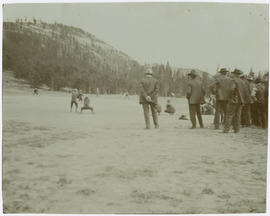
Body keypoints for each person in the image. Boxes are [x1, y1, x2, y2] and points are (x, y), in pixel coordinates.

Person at [223, 69, 246, 133]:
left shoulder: (233, 81)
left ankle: (226, 130)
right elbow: (244, 92)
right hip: (241, 100)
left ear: (235, 74)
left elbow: (231, 89)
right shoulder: (242, 81)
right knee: (238, 115)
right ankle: (237, 129)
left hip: (234, 100)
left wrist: (230, 97)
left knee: (229, 115)